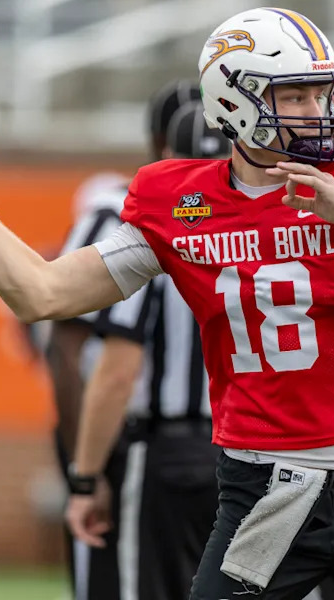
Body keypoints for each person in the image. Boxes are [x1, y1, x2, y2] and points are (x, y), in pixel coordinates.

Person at [0, 7, 334, 599]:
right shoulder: (180, 202)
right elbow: (40, 292)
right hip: (263, 493)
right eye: (294, 96)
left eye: (321, 95)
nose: (317, 112)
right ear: (235, 102)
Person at [53, 95, 232, 600]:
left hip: (167, 451)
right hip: (253, 456)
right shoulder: (272, 224)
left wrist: (86, 476)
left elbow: (117, 368)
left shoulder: (154, 224)